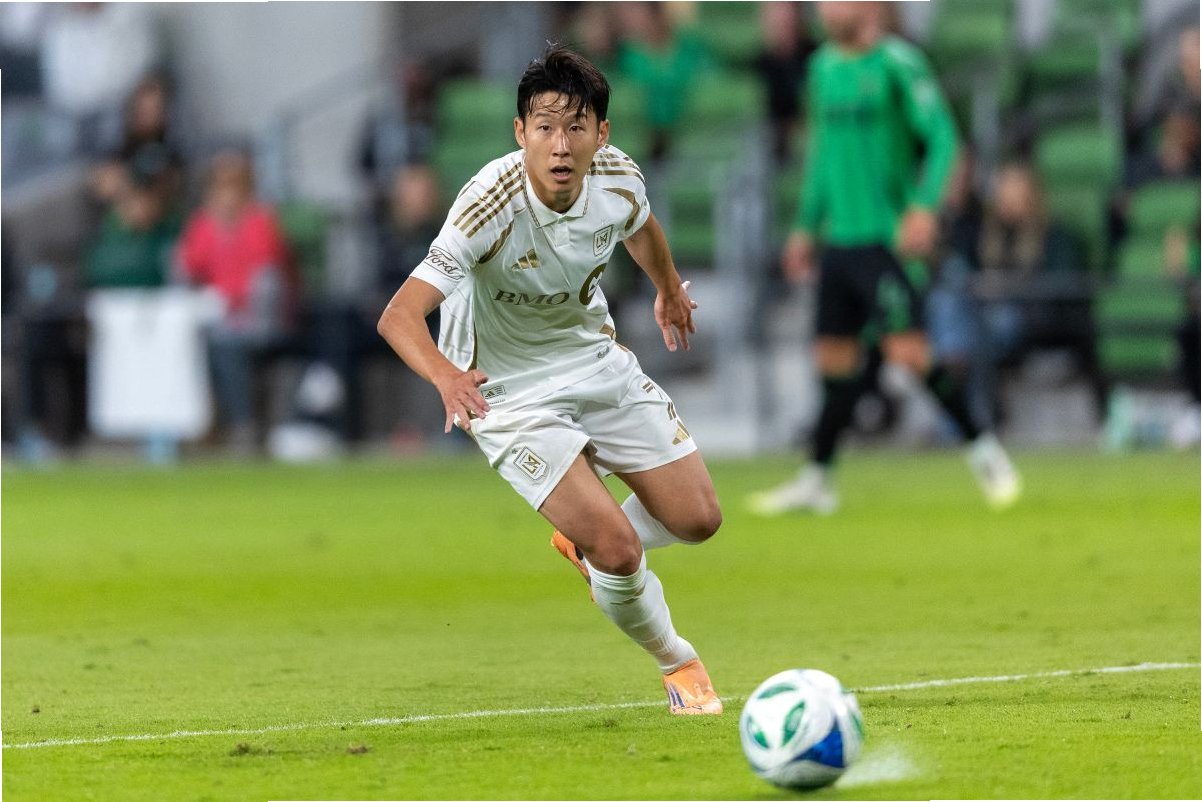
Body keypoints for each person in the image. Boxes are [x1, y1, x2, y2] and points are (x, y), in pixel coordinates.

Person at [377, 46, 724, 715]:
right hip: (505, 390)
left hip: (591, 359)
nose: (560, 145)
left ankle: (581, 539)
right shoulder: (488, 203)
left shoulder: (618, 178)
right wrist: (446, 376)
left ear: (601, 134)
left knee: (699, 518)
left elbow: (641, 227)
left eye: (575, 127)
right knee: (619, 550)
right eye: (544, 128)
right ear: (520, 133)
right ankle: (677, 662)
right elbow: (399, 315)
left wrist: (668, 289)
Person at [748, 2, 1021, 517]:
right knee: (834, 361)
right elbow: (821, 156)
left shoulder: (898, 64)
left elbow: (943, 137)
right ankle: (818, 479)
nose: (827, 8)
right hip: (839, 242)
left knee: (910, 354)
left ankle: (985, 450)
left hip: (886, 240)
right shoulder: (821, 69)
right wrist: (805, 226)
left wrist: (924, 206)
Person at [178, 150, 293, 453]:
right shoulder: (203, 223)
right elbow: (189, 266)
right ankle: (193, 424)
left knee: (226, 346)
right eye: (220, 187)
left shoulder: (260, 221)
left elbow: (267, 276)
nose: (226, 195)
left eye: (233, 186)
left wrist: (232, 301)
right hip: (213, 314)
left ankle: (243, 423)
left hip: (257, 315)